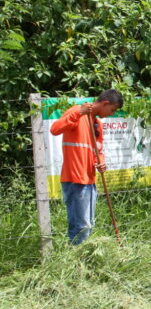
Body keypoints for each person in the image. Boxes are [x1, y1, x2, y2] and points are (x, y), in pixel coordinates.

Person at [50, 89, 123, 244]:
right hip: (74, 179)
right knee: (81, 226)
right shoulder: (78, 112)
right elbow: (55, 129)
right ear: (105, 103)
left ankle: (82, 260)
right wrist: (79, 113)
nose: (112, 114)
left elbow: (99, 148)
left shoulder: (97, 124)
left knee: (88, 225)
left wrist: (101, 161)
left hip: (90, 180)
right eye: (112, 110)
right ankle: (76, 262)